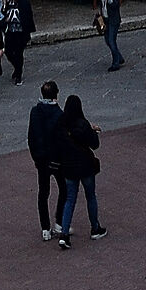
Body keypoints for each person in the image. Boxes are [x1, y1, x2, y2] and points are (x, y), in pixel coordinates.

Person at [53, 94, 105, 247]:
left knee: (70, 199)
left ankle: (64, 234)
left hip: (68, 166)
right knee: (90, 196)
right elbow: (95, 144)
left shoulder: (61, 124)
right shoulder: (83, 124)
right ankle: (95, 228)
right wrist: (92, 131)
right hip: (85, 165)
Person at [28, 79, 65, 238]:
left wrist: (36, 157)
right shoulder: (59, 114)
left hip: (41, 159)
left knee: (43, 193)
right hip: (56, 159)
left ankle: (45, 228)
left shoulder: (35, 112)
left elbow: (31, 137)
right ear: (56, 94)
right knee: (64, 189)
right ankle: (59, 222)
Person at [2, 0, 35, 85]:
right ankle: (17, 68)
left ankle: (18, 75)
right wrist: (4, 5)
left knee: (18, 54)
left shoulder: (24, 2)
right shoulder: (9, 1)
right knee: (8, 51)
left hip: (20, 32)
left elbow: (27, 17)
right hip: (10, 31)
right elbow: (4, 12)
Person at [96, 0, 124, 70]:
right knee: (107, 40)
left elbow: (115, 4)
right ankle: (119, 57)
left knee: (112, 41)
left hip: (113, 20)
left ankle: (116, 63)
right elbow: (102, 4)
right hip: (106, 19)